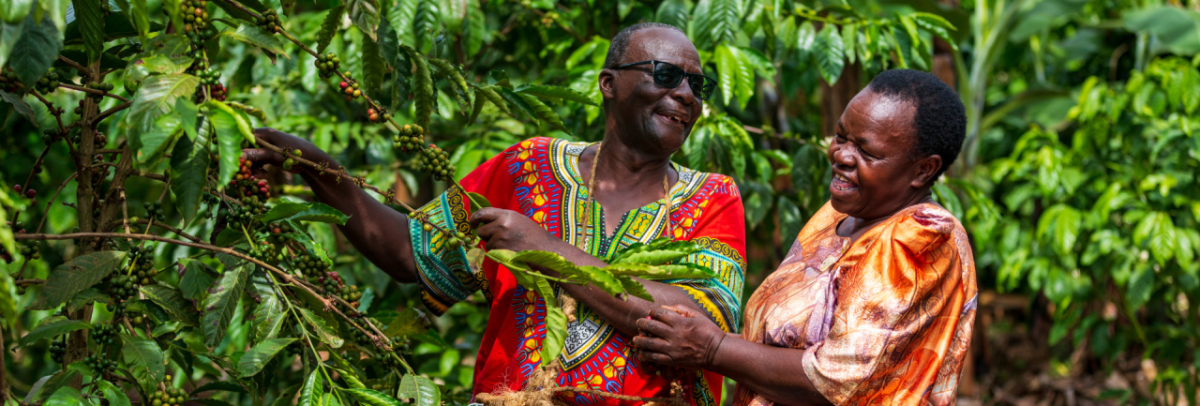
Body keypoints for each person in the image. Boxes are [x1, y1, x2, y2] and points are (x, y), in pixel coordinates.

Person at [243, 23, 746, 405]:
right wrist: (315, 163)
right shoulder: (527, 167)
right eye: (666, 75)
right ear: (609, 84)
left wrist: (544, 250)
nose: (685, 94)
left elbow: (694, 322)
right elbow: (412, 253)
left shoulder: (714, 197)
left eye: (697, 86)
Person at [631, 69, 978, 406]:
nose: (841, 156)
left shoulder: (923, 237)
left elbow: (833, 381)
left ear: (923, 170)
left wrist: (713, 349)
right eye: (841, 137)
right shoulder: (839, 215)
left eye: (867, 152)